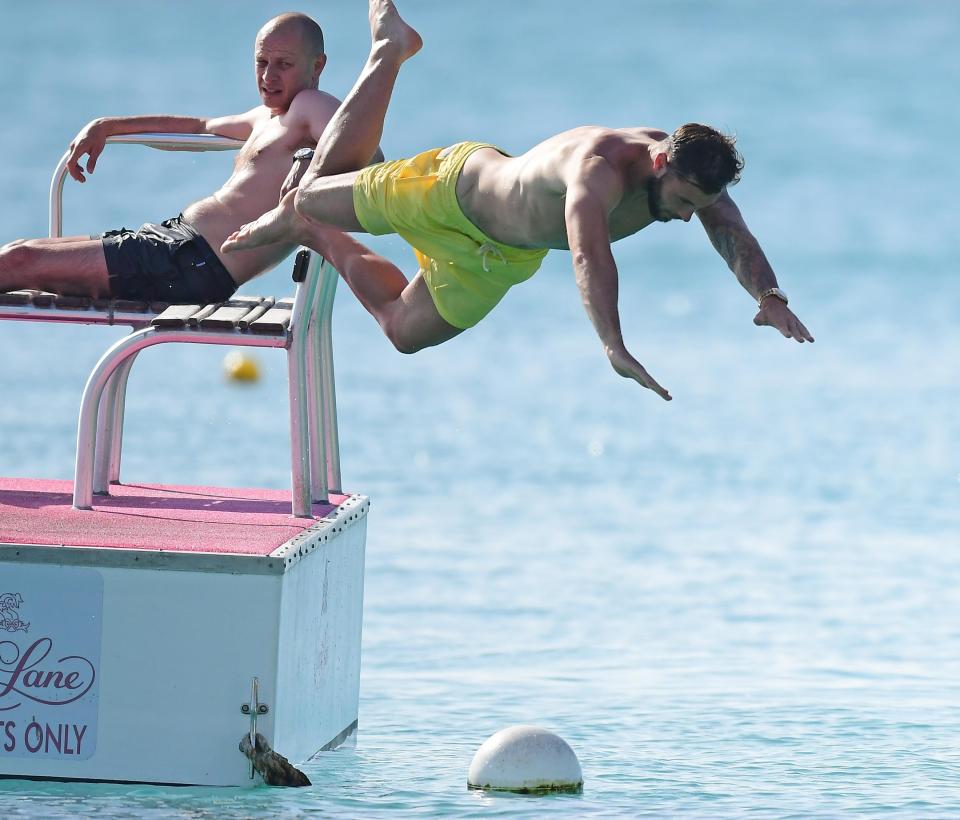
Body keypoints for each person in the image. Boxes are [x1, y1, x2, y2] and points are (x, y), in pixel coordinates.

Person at [224, 0, 813, 402]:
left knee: (402, 331)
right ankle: (387, 50)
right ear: (660, 162)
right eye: (683, 202)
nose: (686, 216)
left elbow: (731, 231)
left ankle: (307, 226)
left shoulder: (692, 171)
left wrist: (770, 295)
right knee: (311, 197)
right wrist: (614, 344)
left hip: (502, 255)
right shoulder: (598, 170)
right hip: (448, 192)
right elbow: (589, 256)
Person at [0, 13, 379, 305]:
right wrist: (106, 126)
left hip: (190, 264)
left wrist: (311, 161)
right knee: (17, 253)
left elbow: (371, 158)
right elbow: (199, 127)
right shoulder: (269, 116)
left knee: (17, 264)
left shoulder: (310, 105)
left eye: (283, 64)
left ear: (317, 66)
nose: (268, 75)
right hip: (171, 244)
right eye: (261, 62)